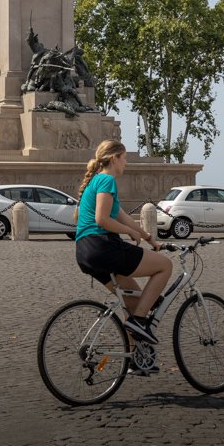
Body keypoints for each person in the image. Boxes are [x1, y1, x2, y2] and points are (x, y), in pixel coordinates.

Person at [74, 139, 171, 345]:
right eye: (124, 158)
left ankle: (134, 358)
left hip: (85, 252)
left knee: (134, 300)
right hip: (102, 247)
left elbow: (122, 216)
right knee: (165, 265)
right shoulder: (107, 181)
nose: (126, 163)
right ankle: (138, 322)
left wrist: (148, 238)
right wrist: (129, 232)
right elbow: (102, 220)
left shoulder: (96, 181)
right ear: (114, 158)